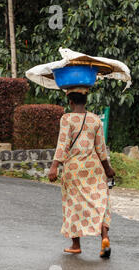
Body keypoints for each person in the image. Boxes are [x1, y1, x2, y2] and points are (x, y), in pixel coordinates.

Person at [48, 91, 115, 258]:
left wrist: (54, 166)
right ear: (86, 101)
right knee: (99, 201)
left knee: (74, 204)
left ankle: (76, 244)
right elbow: (101, 148)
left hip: (74, 169)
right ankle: (104, 238)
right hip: (94, 168)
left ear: (70, 102)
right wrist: (108, 168)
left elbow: (62, 143)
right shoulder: (95, 119)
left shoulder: (67, 119)